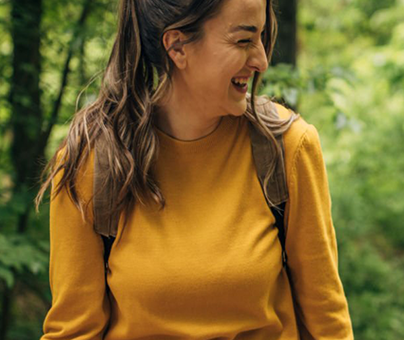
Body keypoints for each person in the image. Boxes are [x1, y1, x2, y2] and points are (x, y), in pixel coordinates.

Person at [35, 0, 353, 338]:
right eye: (243, 40)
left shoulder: (286, 147)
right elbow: (74, 332)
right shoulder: (92, 162)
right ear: (177, 46)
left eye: (262, 37)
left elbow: (327, 321)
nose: (261, 59)